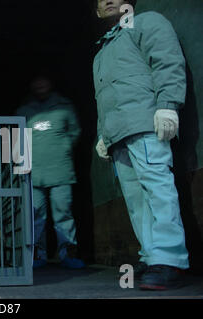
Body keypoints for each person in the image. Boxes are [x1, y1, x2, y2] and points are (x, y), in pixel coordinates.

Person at [93, 0, 189, 290]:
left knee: (157, 189)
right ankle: (152, 255)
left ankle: (170, 260)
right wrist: (102, 134)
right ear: (97, 12)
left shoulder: (146, 22)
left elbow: (166, 59)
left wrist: (168, 104)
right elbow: (103, 99)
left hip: (146, 123)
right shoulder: (101, 52)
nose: (107, 0)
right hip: (117, 135)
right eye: (100, 0)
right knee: (137, 203)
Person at [16, 75, 85, 269]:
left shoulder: (64, 106)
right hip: (33, 172)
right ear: (31, 85)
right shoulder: (24, 110)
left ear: (50, 82)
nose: (40, 84)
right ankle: (38, 255)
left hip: (61, 169)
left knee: (63, 213)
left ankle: (68, 254)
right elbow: (17, 140)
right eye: (36, 81)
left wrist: (63, 149)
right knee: (36, 215)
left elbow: (75, 132)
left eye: (43, 80)